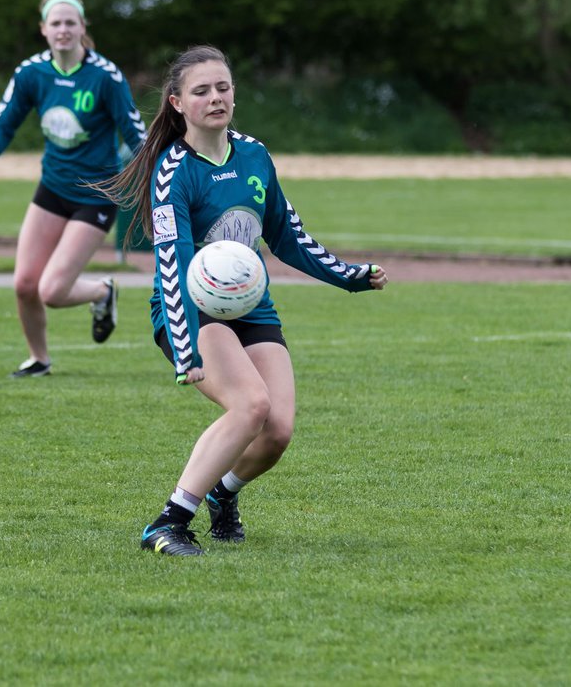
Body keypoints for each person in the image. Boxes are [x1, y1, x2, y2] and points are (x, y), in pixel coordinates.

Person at [99, 45, 388, 556]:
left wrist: (351, 277)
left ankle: (221, 490)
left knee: (276, 430)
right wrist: (185, 348)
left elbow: (288, 236)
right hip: (191, 310)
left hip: (252, 307)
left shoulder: (255, 154)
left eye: (223, 87)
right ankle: (167, 523)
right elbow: (172, 267)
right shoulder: (172, 173)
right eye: (201, 90)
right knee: (249, 405)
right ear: (176, 104)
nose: (216, 97)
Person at [0, 0, 147, 378]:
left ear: (83, 29)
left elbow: (134, 130)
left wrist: (160, 167)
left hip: (97, 195)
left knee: (51, 291)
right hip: (52, 189)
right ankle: (40, 359)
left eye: (71, 23)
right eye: (56, 23)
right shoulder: (32, 73)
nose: (63, 30)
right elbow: (6, 117)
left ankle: (103, 291)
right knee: (24, 284)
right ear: (44, 30)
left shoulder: (105, 76)